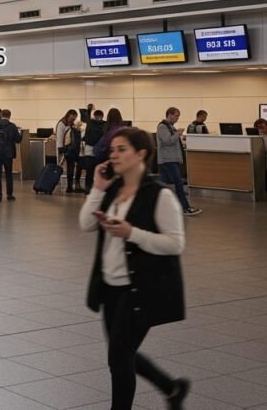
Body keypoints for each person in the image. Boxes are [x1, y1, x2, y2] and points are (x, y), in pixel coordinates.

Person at [79, 127, 190, 410]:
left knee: (118, 358)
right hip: (109, 287)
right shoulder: (114, 188)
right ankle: (172, 388)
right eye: (112, 150)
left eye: (121, 149)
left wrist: (132, 233)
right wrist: (97, 188)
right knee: (122, 353)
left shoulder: (160, 195)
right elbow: (86, 223)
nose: (113, 155)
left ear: (141, 154)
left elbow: (175, 244)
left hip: (139, 289)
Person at [156, 107, 201, 217]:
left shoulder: (170, 127)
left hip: (170, 159)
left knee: (161, 185)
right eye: (176, 116)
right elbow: (167, 141)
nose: (177, 118)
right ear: (169, 115)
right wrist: (178, 133)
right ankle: (185, 207)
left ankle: (154, 206)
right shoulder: (162, 127)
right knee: (178, 183)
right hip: (167, 160)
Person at [56, 109, 82, 193]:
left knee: (75, 166)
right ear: (68, 115)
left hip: (73, 148)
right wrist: (61, 148)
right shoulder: (62, 123)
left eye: (74, 118)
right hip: (67, 148)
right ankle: (69, 186)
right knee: (70, 167)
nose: (73, 120)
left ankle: (74, 185)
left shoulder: (71, 124)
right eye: (72, 118)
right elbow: (59, 136)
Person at [81, 109, 106, 193]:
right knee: (100, 171)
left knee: (89, 172)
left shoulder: (89, 123)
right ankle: (98, 189)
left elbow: (85, 136)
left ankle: (88, 189)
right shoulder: (104, 124)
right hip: (100, 151)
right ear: (102, 116)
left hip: (89, 150)